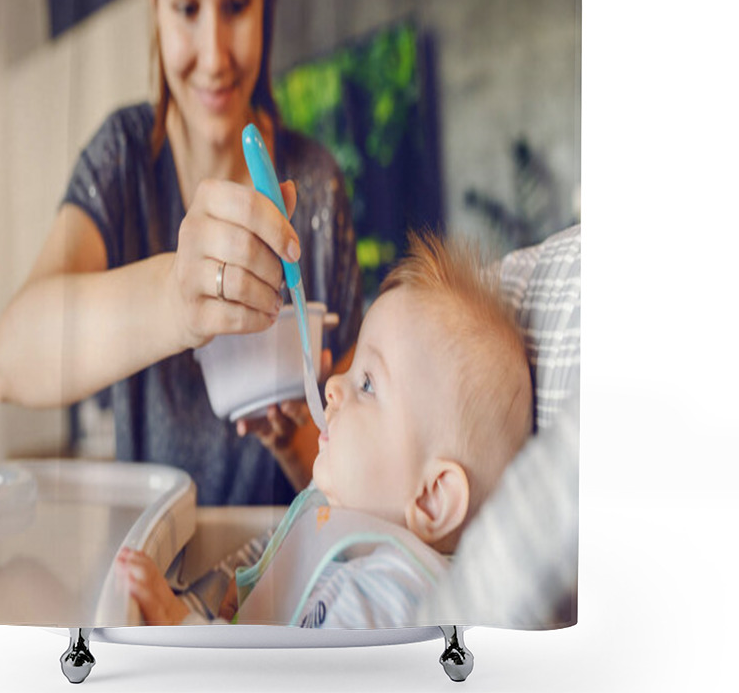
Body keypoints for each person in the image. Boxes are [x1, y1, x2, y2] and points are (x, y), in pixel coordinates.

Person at [0, 0, 362, 505]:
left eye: (237, 3)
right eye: (187, 6)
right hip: (153, 570)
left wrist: (294, 440)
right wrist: (175, 298)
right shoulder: (123, 159)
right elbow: (10, 362)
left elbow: (362, 484)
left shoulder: (317, 185)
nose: (214, 57)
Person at [117, 231, 534, 628]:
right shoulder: (342, 546)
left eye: (367, 383)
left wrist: (185, 628)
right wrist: (239, 614)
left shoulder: (388, 595)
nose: (333, 385)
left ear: (432, 498)